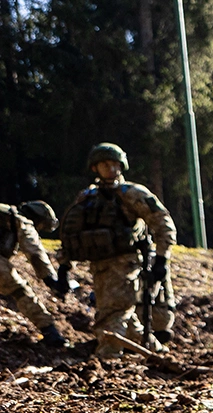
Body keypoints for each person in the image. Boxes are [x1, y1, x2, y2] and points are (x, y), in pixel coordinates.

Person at [58, 143, 176, 358]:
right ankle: (156, 353)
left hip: (127, 264)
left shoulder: (131, 194)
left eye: (115, 164)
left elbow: (163, 223)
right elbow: (71, 234)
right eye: (105, 164)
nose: (111, 169)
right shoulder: (87, 198)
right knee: (124, 318)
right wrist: (64, 266)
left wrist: (161, 259)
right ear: (95, 167)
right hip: (100, 267)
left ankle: (107, 357)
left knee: (114, 313)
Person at [0, 201, 70, 347]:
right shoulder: (20, 220)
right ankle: (49, 331)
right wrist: (50, 279)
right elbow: (35, 253)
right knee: (20, 291)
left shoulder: (5, 213)